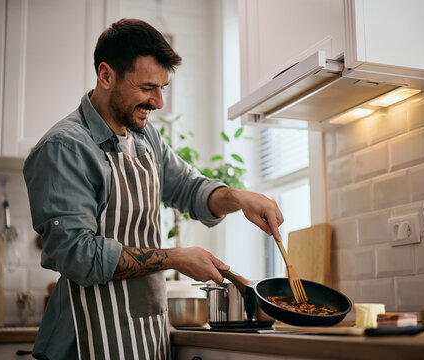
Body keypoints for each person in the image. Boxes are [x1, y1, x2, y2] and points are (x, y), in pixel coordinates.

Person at [23, 18, 283, 360]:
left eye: (163, 87)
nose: (159, 102)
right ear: (106, 75)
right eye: (148, 87)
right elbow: (77, 254)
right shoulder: (65, 148)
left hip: (144, 336)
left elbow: (190, 189)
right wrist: (175, 258)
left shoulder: (145, 138)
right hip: (85, 340)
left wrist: (238, 197)